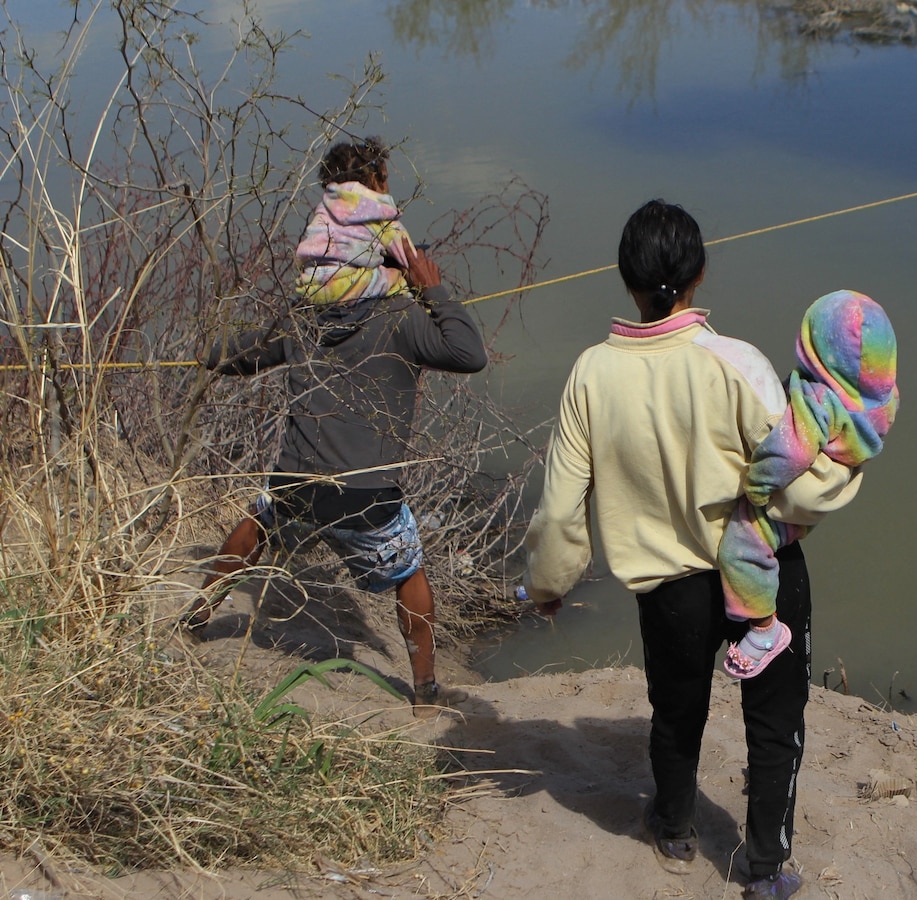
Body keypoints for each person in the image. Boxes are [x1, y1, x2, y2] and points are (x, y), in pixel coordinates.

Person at [522, 199, 850, 899]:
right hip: (762, 572)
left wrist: (550, 583)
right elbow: (793, 480)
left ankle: (673, 830)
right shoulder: (736, 363)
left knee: (676, 710)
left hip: (668, 586)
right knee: (775, 718)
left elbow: (559, 509)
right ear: (699, 273)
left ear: (626, 280)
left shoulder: (591, 373)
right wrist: (847, 463)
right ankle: (765, 868)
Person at [182, 142, 487, 719]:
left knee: (259, 519)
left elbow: (243, 355)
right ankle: (424, 689)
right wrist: (433, 288)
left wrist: (205, 355)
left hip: (298, 477)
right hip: (366, 496)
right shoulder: (402, 319)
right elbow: (468, 353)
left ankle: (199, 613)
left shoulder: (303, 311)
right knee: (409, 571)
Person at [717, 290, 898, 680]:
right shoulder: (883, 402)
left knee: (743, 544)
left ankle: (765, 630)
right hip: (819, 505)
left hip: (789, 497)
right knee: (782, 535)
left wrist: (757, 487)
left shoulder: (819, 401)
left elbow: (790, 454)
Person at [295, 136, 416, 305]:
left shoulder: (323, 212)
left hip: (311, 288)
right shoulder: (378, 214)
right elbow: (410, 259)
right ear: (375, 178)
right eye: (385, 178)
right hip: (347, 288)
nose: (388, 187)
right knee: (399, 280)